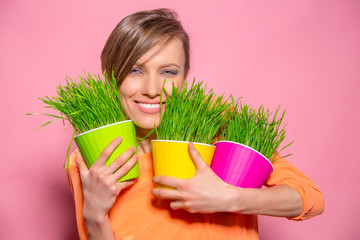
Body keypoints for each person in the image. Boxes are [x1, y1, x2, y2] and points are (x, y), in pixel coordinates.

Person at [67, 8, 324, 240]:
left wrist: (230, 198)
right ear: (111, 76)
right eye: (135, 70)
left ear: (185, 77)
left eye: (168, 72)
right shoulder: (94, 155)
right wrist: (94, 214)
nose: (152, 90)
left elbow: (309, 198)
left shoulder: (219, 124)